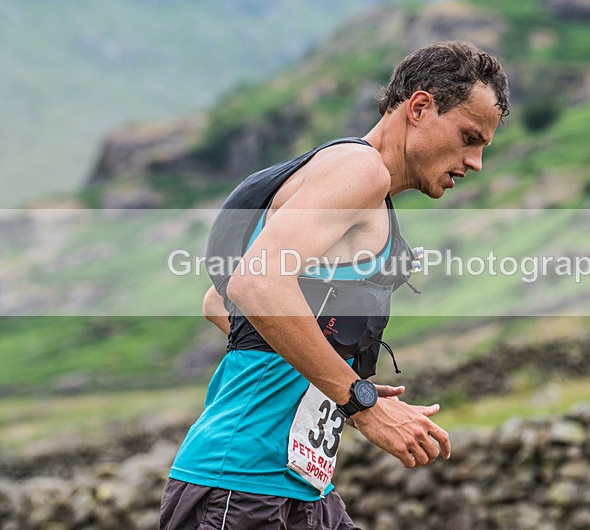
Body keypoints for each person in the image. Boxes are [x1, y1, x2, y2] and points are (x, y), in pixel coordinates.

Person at [160, 40, 509, 529]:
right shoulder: (358, 169)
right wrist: (358, 402)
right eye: (469, 137)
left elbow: (219, 302)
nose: (475, 162)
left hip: (302, 489)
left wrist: (333, 376)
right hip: (240, 485)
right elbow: (255, 284)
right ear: (421, 107)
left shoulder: (364, 189)